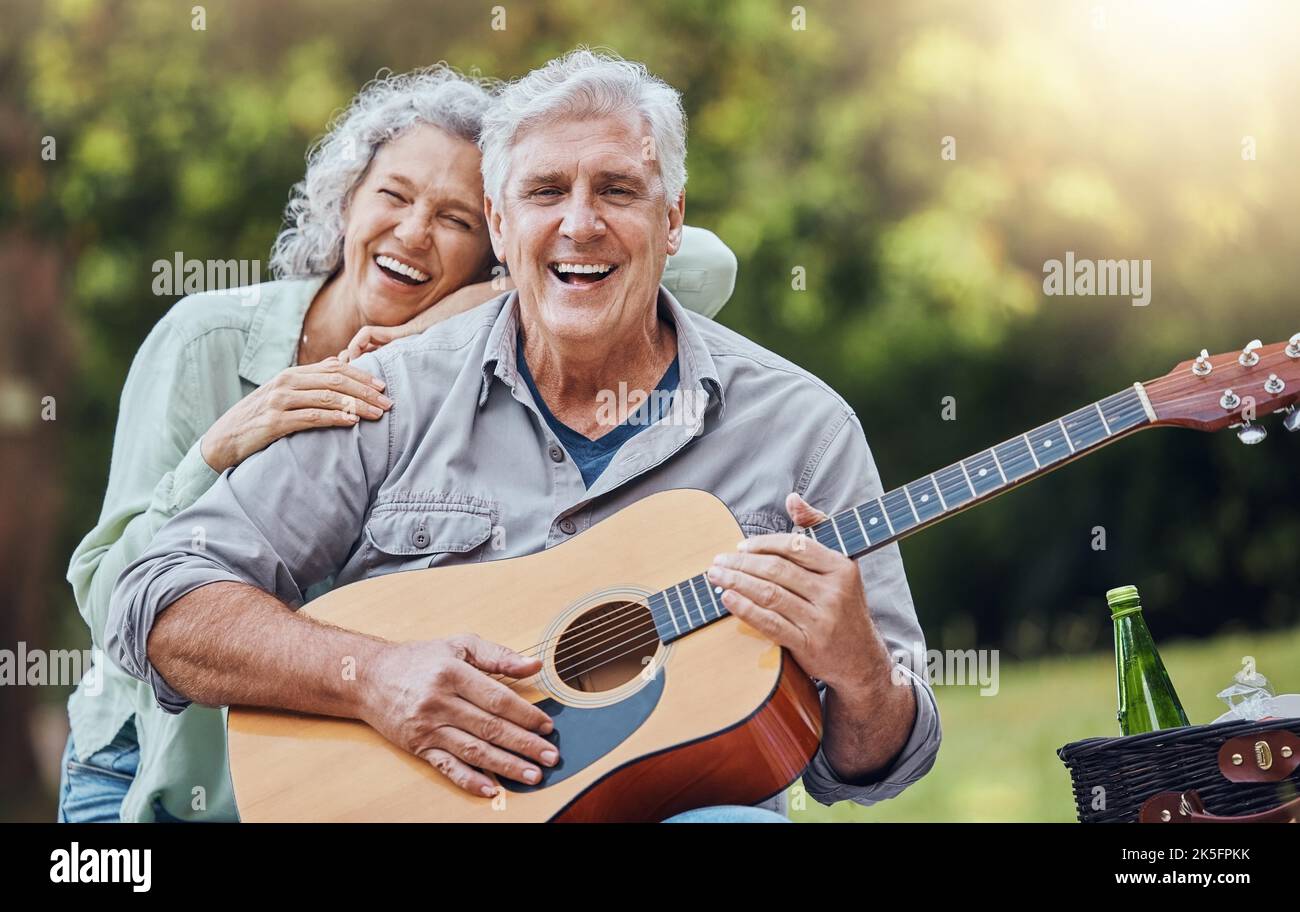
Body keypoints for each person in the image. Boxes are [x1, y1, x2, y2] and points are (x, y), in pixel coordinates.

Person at [105, 49, 940, 823]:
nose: (580, 224)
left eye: (618, 190)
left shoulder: (803, 428)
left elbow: (872, 766)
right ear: (501, 227)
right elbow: (161, 599)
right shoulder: (390, 394)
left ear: (673, 219)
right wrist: (373, 677)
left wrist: (862, 671)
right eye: (545, 192)